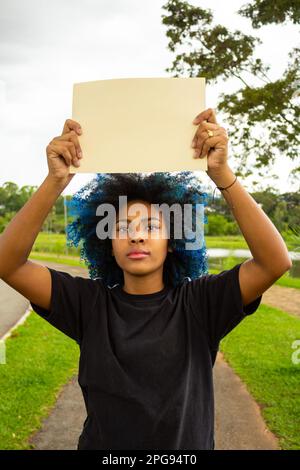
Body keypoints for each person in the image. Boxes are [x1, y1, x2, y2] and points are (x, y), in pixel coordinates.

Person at [0, 108, 292, 450]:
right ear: (107, 244)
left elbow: (275, 262)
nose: (136, 236)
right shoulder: (88, 305)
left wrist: (222, 174)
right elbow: (8, 264)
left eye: (151, 226)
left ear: (173, 243)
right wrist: (56, 181)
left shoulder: (199, 305)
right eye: (122, 227)